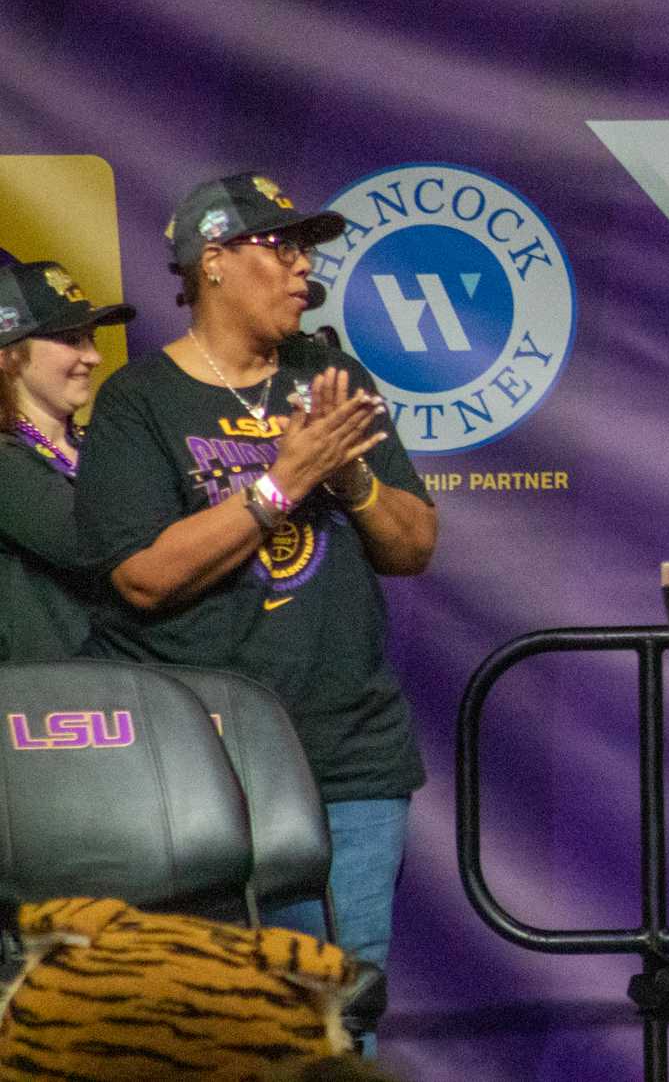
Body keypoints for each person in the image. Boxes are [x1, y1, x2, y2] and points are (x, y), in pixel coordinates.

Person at [74, 172, 437, 1039]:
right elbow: (143, 577)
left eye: (307, 248)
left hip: (347, 762)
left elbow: (415, 544)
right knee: (210, 1027)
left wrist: (349, 477)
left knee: (339, 1022)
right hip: (201, 773)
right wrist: (284, 481)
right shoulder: (140, 401)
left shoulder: (330, 373)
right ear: (214, 262)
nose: (304, 267)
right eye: (282, 247)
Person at [0, 259, 135, 663]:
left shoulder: (97, 444)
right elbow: (95, 544)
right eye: (72, 340)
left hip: (131, 686)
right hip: (44, 705)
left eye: (90, 338)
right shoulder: (6, 461)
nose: (93, 357)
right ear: (9, 356)